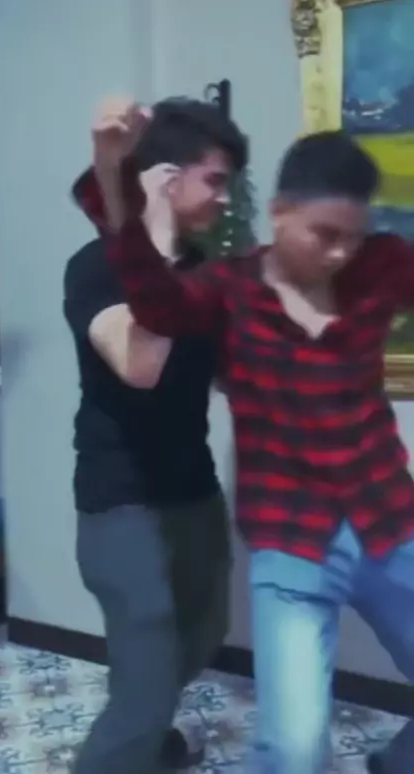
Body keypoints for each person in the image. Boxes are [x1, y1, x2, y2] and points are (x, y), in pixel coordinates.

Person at [93, 101, 414, 774]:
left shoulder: (381, 265)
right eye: (323, 234)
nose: (339, 253)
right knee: (293, 751)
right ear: (279, 212)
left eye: (353, 238)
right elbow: (155, 305)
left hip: (388, 521)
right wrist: (114, 174)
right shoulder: (228, 287)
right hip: (292, 541)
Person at [63, 96, 248, 774]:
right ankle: (132, 738)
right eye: (215, 180)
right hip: (121, 504)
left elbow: (228, 371)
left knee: (202, 634)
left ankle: (142, 738)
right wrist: (158, 242)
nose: (224, 199)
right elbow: (141, 366)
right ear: (166, 180)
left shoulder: (207, 273)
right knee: (142, 689)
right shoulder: (96, 266)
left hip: (193, 493)